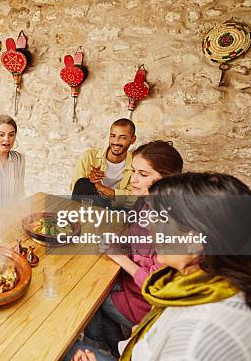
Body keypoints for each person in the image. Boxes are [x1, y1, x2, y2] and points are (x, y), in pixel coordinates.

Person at [70, 173, 251, 361]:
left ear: (195, 242)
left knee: (64, 350)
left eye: (161, 219)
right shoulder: (215, 284)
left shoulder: (197, 335)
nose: (151, 226)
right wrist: (146, 335)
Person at [79, 141, 183, 356]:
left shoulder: (171, 222)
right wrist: (116, 243)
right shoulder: (144, 203)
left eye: (143, 174)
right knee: (91, 279)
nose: (134, 179)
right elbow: (134, 238)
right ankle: (114, 348)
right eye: (134, 171)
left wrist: (120, 258)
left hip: (143, 302)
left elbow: (158, 286)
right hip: (129, 284)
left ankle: (95, 350)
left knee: (89, 298)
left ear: (167, 180)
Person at [71, 119, 136, 205]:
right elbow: (77, 190)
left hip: (116, 207)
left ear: (133, 139)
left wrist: (101, 188)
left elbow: (133, 197)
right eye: (113, 136)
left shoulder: (135, 163)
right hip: (92, 203)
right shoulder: (89, 156)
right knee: (83, 183)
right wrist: (91, 182)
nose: (116, 142)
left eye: (123, 137)